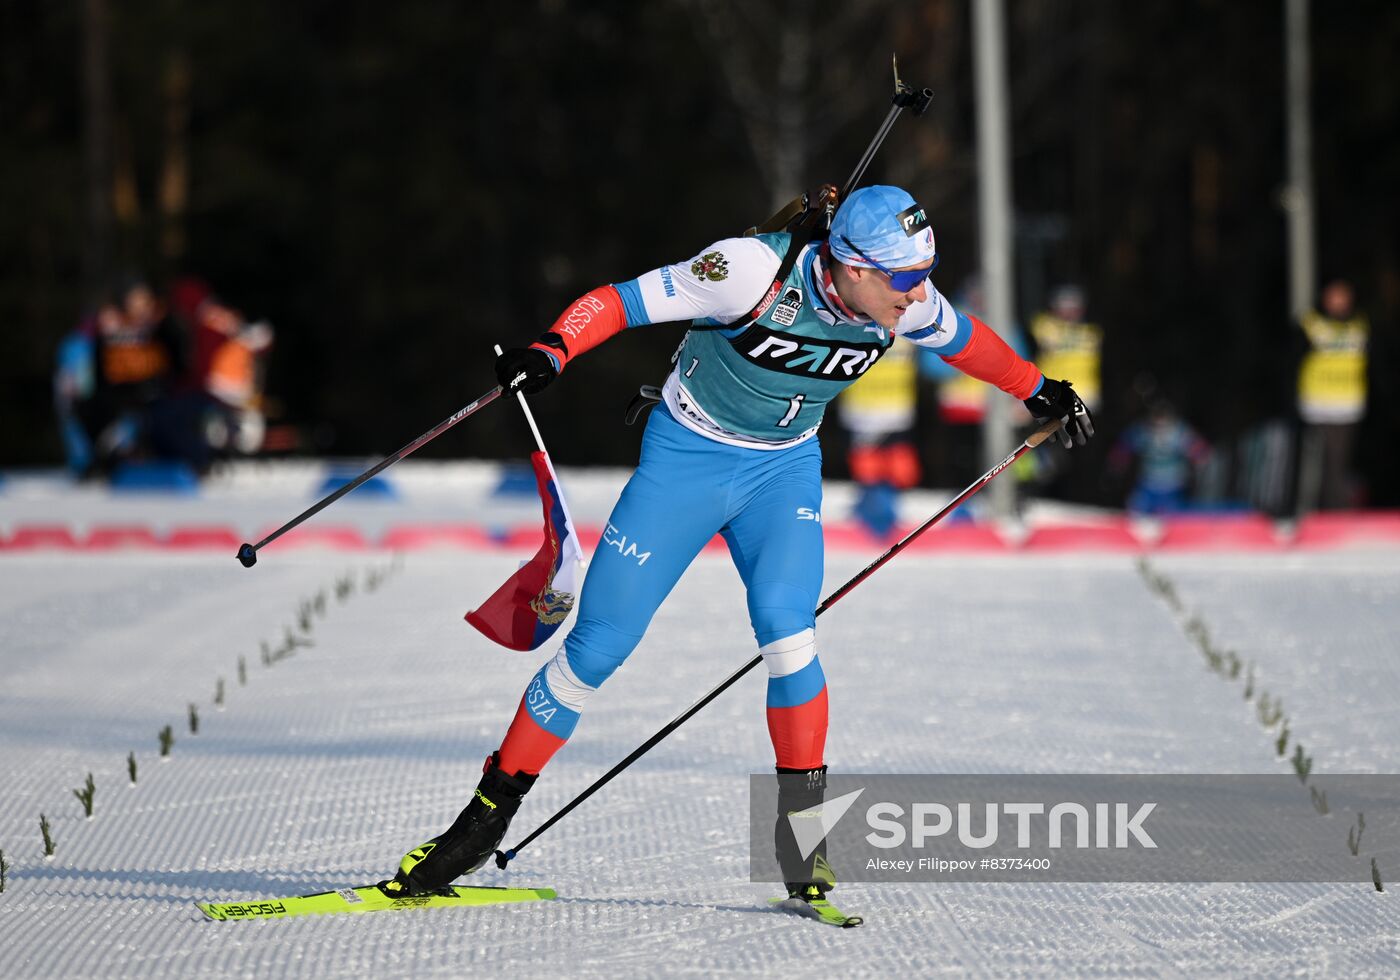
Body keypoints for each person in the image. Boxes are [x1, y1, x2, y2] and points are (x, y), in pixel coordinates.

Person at [386, 185, 1094, 907]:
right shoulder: (750, 271)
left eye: (924, 276)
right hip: (685, 463)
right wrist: (552, 350)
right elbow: (622, 302)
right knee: (597, 648)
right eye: (906, 279)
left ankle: (802, 845)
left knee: (790, 635)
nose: (918, 295)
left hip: (782, 475)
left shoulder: (902, 302)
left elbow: (967, 340)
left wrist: (1040, 389)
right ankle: (480, 824)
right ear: (854, 267)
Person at [1295, 278, 1368, 511]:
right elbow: (1292, 361)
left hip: (1347, 405)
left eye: (1342, 295)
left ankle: (1335, 511)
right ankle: (1310, 509)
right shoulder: (1311, 324)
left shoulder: (1360, 326)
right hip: (1316, 405)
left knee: (1338, 463)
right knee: (1315, 463)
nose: (1338, 301)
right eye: (1333, 296)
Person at [1108, 401, 1210, 514]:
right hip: (1147, 487)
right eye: (1156, 426)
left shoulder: (1180, 433)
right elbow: (1122, 448)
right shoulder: (1142, 432)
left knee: (1171, 518)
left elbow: (1202, 454)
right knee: (1134, 509)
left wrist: (1197, 474)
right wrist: (1117, 468)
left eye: (1164, 426)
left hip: (1173, 489)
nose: (1159, 431)